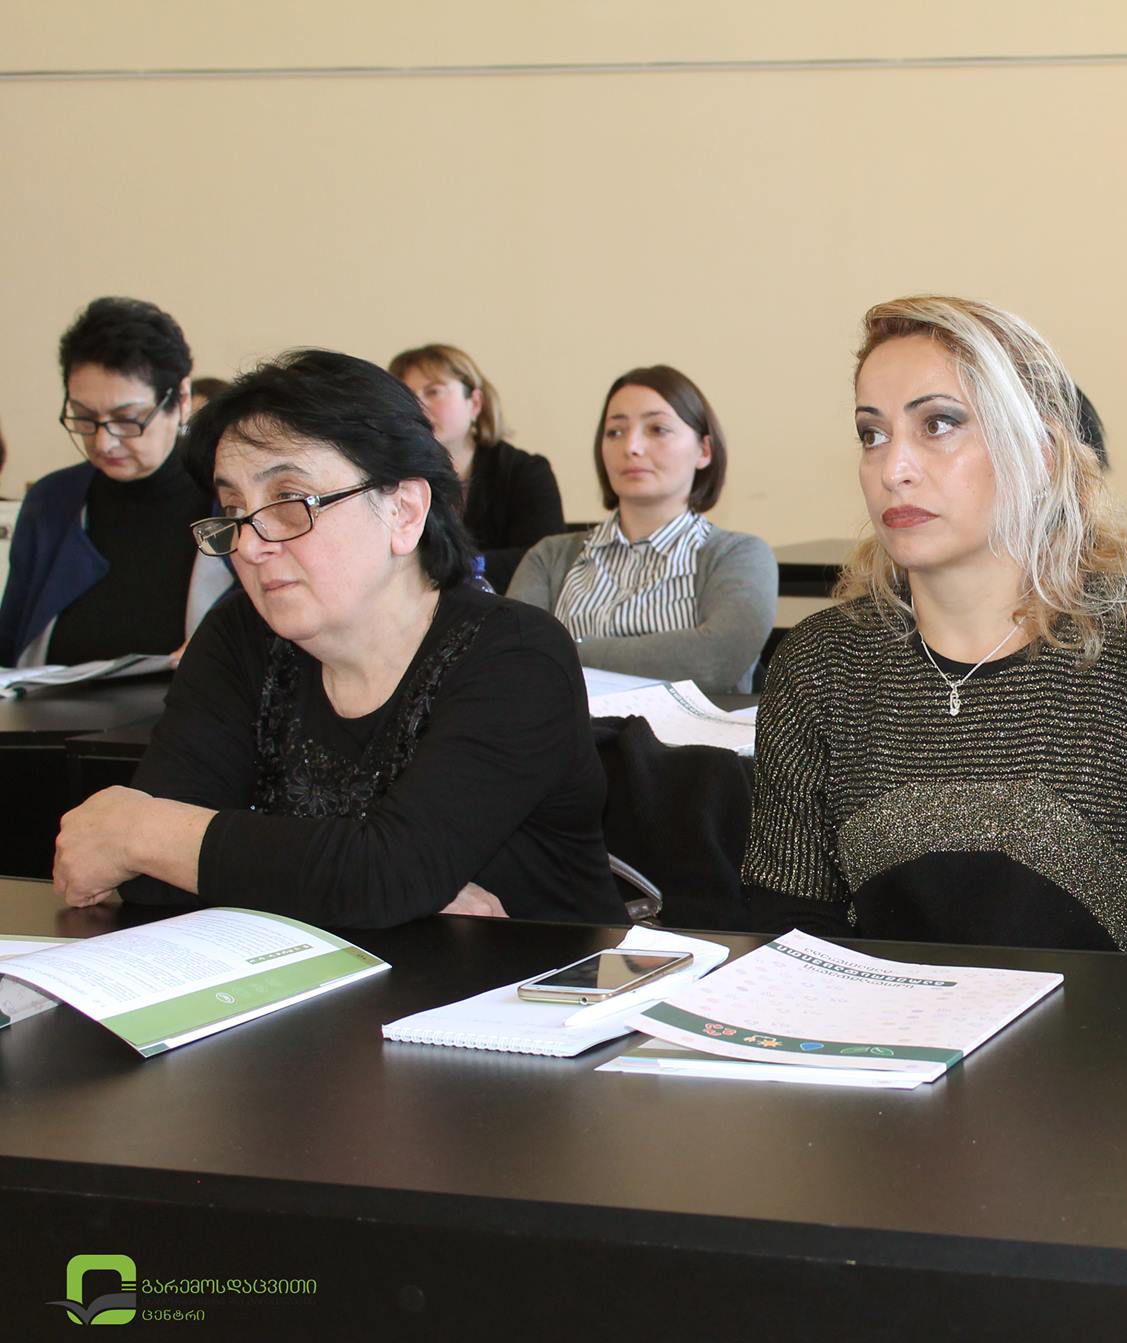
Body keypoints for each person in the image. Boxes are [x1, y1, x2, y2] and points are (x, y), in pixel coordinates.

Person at [742, 295, 1127, 954]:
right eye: (872, 434)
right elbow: (788, 926)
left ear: (1042, 454)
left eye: (938, 424)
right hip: (884, 1019)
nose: (894, 469)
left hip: (1118, 1020)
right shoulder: (822, 663)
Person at [49, 350, 621, 928]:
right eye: (234, 509)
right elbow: (146, 880)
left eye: (289, 502)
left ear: (404, 511)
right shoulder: (239, 637)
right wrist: (355, 886)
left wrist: (146, 833)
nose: (251, 545)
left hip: (534, 978)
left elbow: (384, 875)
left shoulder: (516, 655)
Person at [507, 366, 774, 691]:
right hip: (566, 725)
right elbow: (513, 657)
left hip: (687, 727)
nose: (631, 446)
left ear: (704, 450)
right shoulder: (549, 557)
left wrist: (562, 651)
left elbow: (714, 661)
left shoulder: (739, 555)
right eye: (615, 432)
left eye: (657, 429)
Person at [0, 297, 232, 666]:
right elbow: (9, 648)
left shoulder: (231, 502)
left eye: (127, 419)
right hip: (54, 705)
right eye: (84, 417)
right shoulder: (51, 503)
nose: (104, 442)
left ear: (182, 399)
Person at [390, 343, 565, 591]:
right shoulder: (389, 476)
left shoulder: (525, 472)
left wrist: (450, 567)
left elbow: (544, 559)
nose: (418, 406)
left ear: (474, 403)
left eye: (434, 392)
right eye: (408, 396)